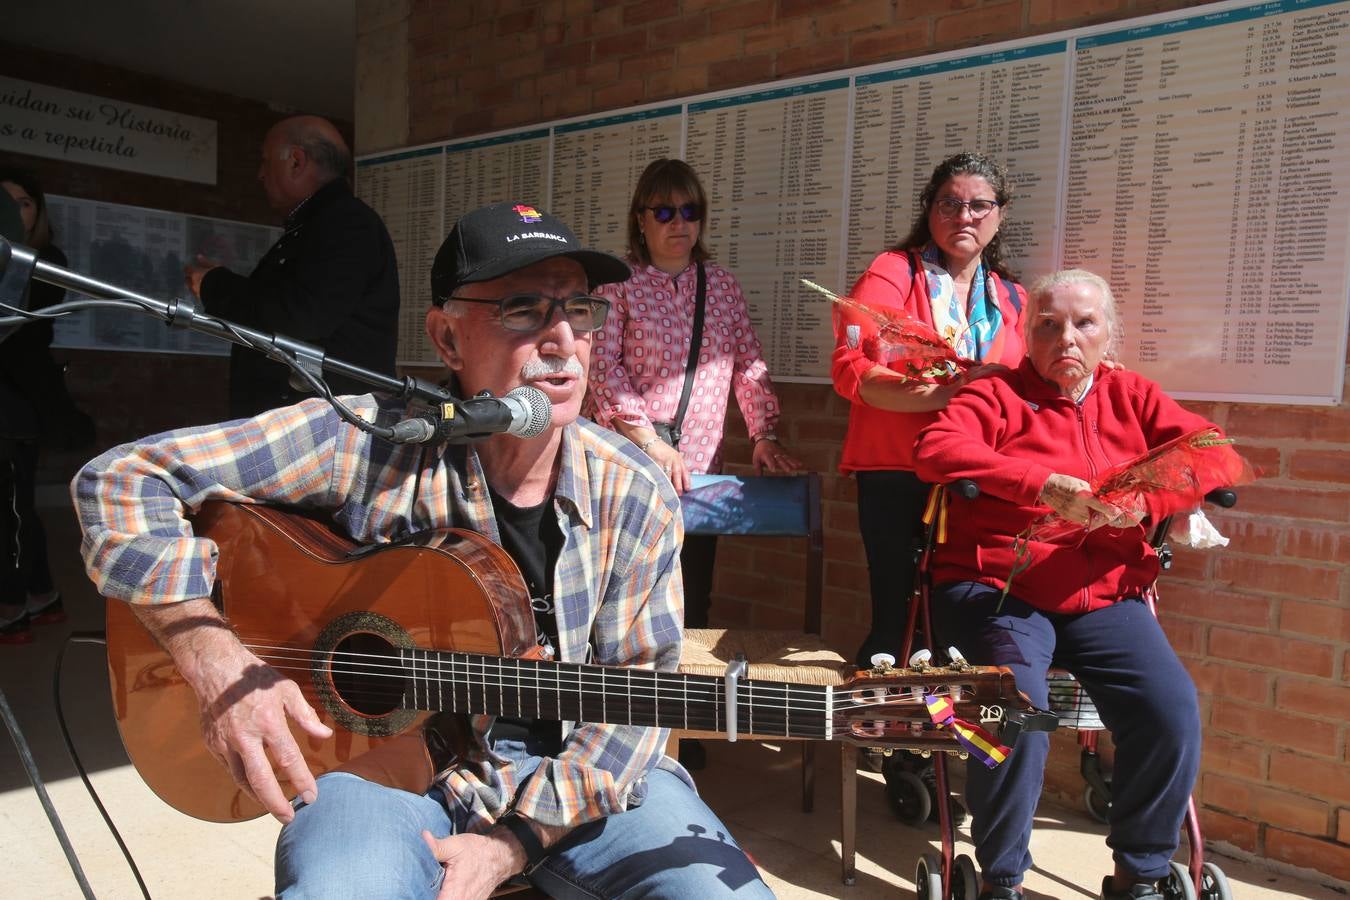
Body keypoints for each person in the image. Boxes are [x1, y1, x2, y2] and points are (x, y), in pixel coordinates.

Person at [76, 201, 774, 899]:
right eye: (523, 309)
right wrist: (215, 660)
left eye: (579, 311)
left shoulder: (635, 492)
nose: (563, 339)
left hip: (577, 772)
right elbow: (119, 480)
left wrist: (513, 844)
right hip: (380, 767)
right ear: (447, 339)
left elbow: (632, 708)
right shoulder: (369, 438)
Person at [913, 270, 1236, 900]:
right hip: (998, 591)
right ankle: (1002, 877)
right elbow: (935, 449)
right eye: (1048, 323)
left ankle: (1140, 875)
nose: (1066, 336)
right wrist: (1041, 485)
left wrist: (1148, 497)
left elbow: (1214, 453)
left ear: (1109, 334)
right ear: (1026, 334)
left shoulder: (1132, 395)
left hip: (1106, 595)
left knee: (1170, 710)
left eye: (1084, 323)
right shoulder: (998, 396)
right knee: (1017, 716)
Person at [587, 158, 804, 631]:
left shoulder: (721, 286)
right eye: (664, 212)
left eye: (690, 211)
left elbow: (748, 365)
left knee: (690, 596)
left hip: (699, 468)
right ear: (640, 220)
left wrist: (763, 434)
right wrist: (650, 441)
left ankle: (686, 699)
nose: (679, 223)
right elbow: (602, 367)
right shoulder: (616, 284)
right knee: (623, 596)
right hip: (630, 461)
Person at [832, 152, 1028, 671]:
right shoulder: (895, 273)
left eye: (980, 205)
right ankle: (884, 743)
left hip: (973, 477)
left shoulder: (1011, 296)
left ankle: (941, 743)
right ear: (929, 209)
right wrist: (956, 389)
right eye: (950, 203)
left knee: (952, 631)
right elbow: (856, 371)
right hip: (898, 469)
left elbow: (1033, 375)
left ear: (1000, 213)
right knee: (897, 627)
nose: (965, 216)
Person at [184, 115, 400, 420]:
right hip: (310, 424)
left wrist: (214, 285)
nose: (260, 174)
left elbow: (300, 316)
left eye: (265, 161)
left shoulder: (346, 223)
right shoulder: (321, 223)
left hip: (325, 429)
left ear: (296, 161)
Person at [0, 168, 92, 642]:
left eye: (25, 204)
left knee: (14, 508)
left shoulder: (44, 260)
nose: (15, 213)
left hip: (18, 403)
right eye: (6, 203)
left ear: (38, 213)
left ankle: (19, 603)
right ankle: (38, 594)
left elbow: (20, 329)